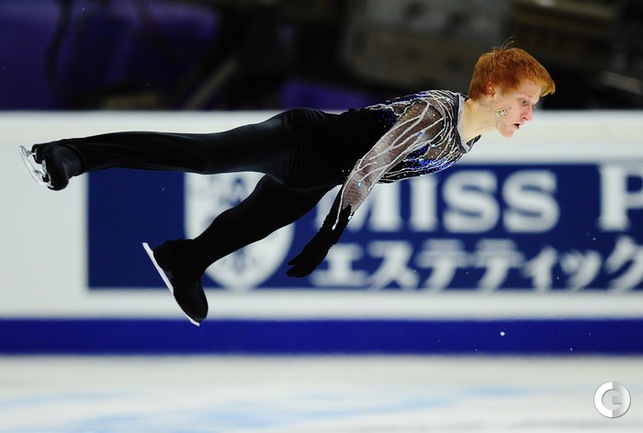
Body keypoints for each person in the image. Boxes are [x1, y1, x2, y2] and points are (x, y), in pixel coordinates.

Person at [20, 45, 555, 324]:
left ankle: (182, 261)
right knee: (202, 156)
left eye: (533, 106)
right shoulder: (436, 113)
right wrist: (330, 232)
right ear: (491, 89)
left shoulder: (466, 139)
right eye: (524, 102)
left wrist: (327, 215)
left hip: (316, 176)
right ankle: (68, 155)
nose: (528, 115)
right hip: (300, 140)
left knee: (249, 226)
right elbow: (371, 165)